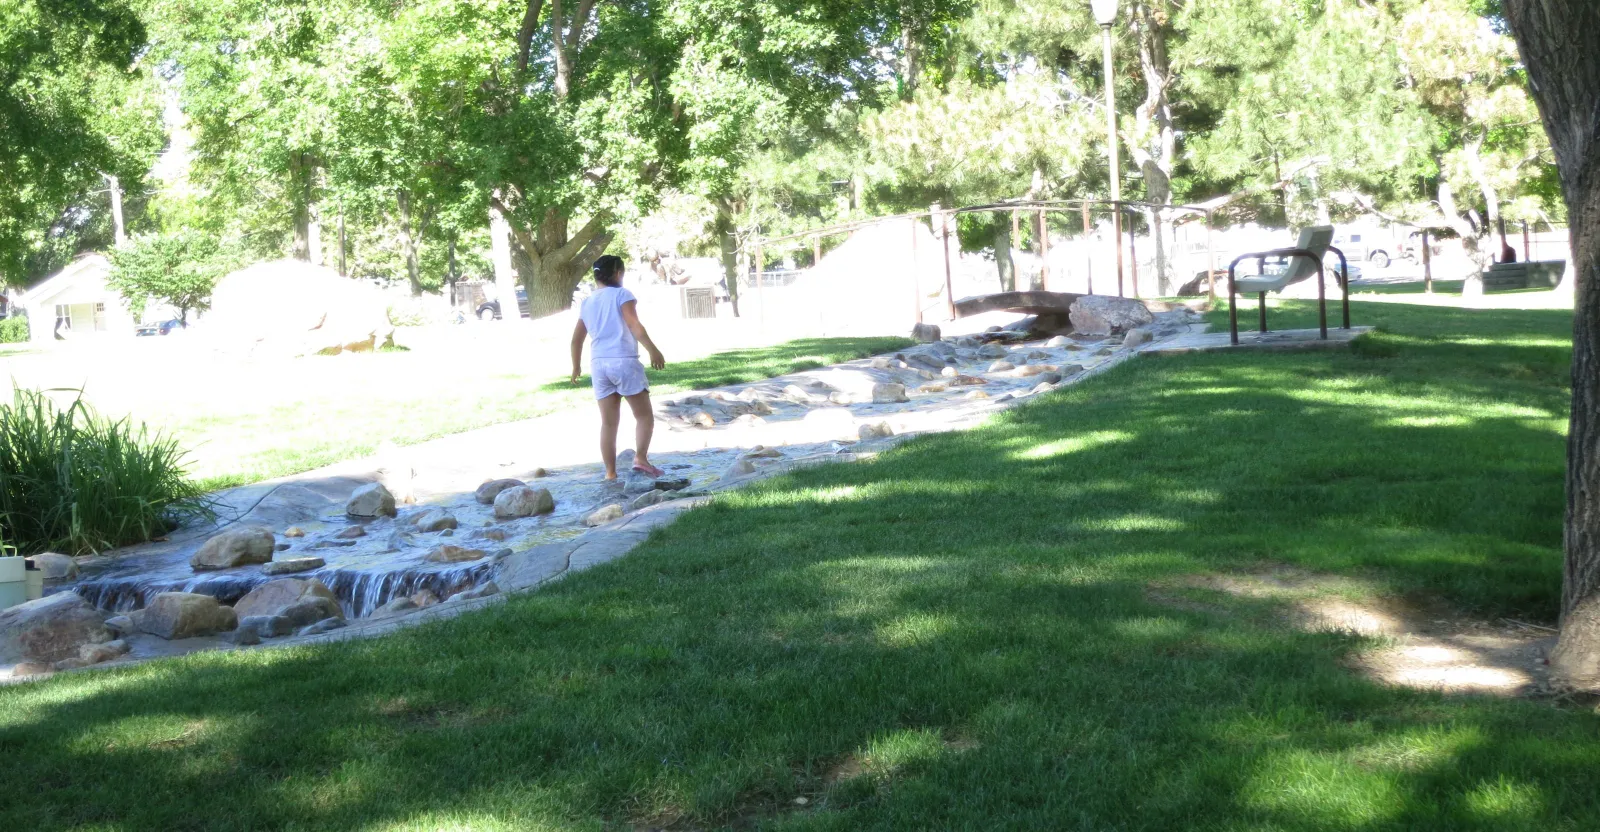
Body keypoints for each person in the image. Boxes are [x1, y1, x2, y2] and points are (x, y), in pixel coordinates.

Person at [571, 255, 668, 481]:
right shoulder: (622, 295)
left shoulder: (587, 302)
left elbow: (576, 340)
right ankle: (641, 460)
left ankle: (610, 473)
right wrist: (653, 350)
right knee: (644, 416)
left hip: (598, 365)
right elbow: (633, 324)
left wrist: (576, 367)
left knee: (608, 423)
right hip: (623, 360)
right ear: (617, 273)